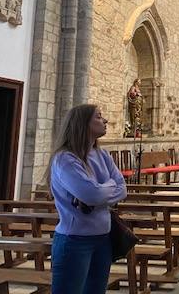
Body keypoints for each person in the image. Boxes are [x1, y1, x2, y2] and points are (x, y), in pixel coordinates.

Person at [47, 104, 127, 294]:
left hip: (103, 239)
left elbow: (123, 189)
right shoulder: (65, 159)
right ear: (82, 124)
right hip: (75, 240)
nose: (105, 120)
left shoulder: (102, 154)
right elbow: (92, 195)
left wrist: (99, 190)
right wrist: (106, 186)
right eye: (99, 117)